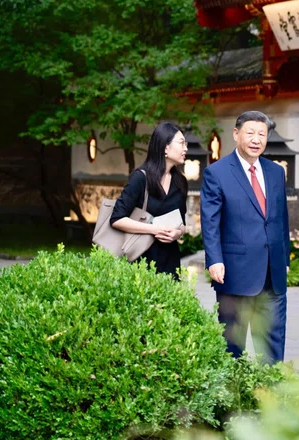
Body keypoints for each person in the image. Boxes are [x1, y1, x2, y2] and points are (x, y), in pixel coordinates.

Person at [200, 111, 290, 362]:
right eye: (250, 133)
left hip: (273, 275)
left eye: (262, 134)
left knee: (273, 343)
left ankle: (271, 395)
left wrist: (285, 259)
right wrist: (214, 260)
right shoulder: (217, 173)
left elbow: (281, 218)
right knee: (233, 346)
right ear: (236, 134)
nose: (256, 139)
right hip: (235, 274)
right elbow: (210, 222)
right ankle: (234, 397)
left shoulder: (275, 172)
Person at [111, 122, 188, 277]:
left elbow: (182, 224)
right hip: (141, 261)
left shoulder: (180, 182)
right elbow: (117, 218)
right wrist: (155, 229)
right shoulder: (140, 178)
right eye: (181, 143)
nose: (185, 148)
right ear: (165, 148)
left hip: (171, 262)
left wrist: (177, 233)